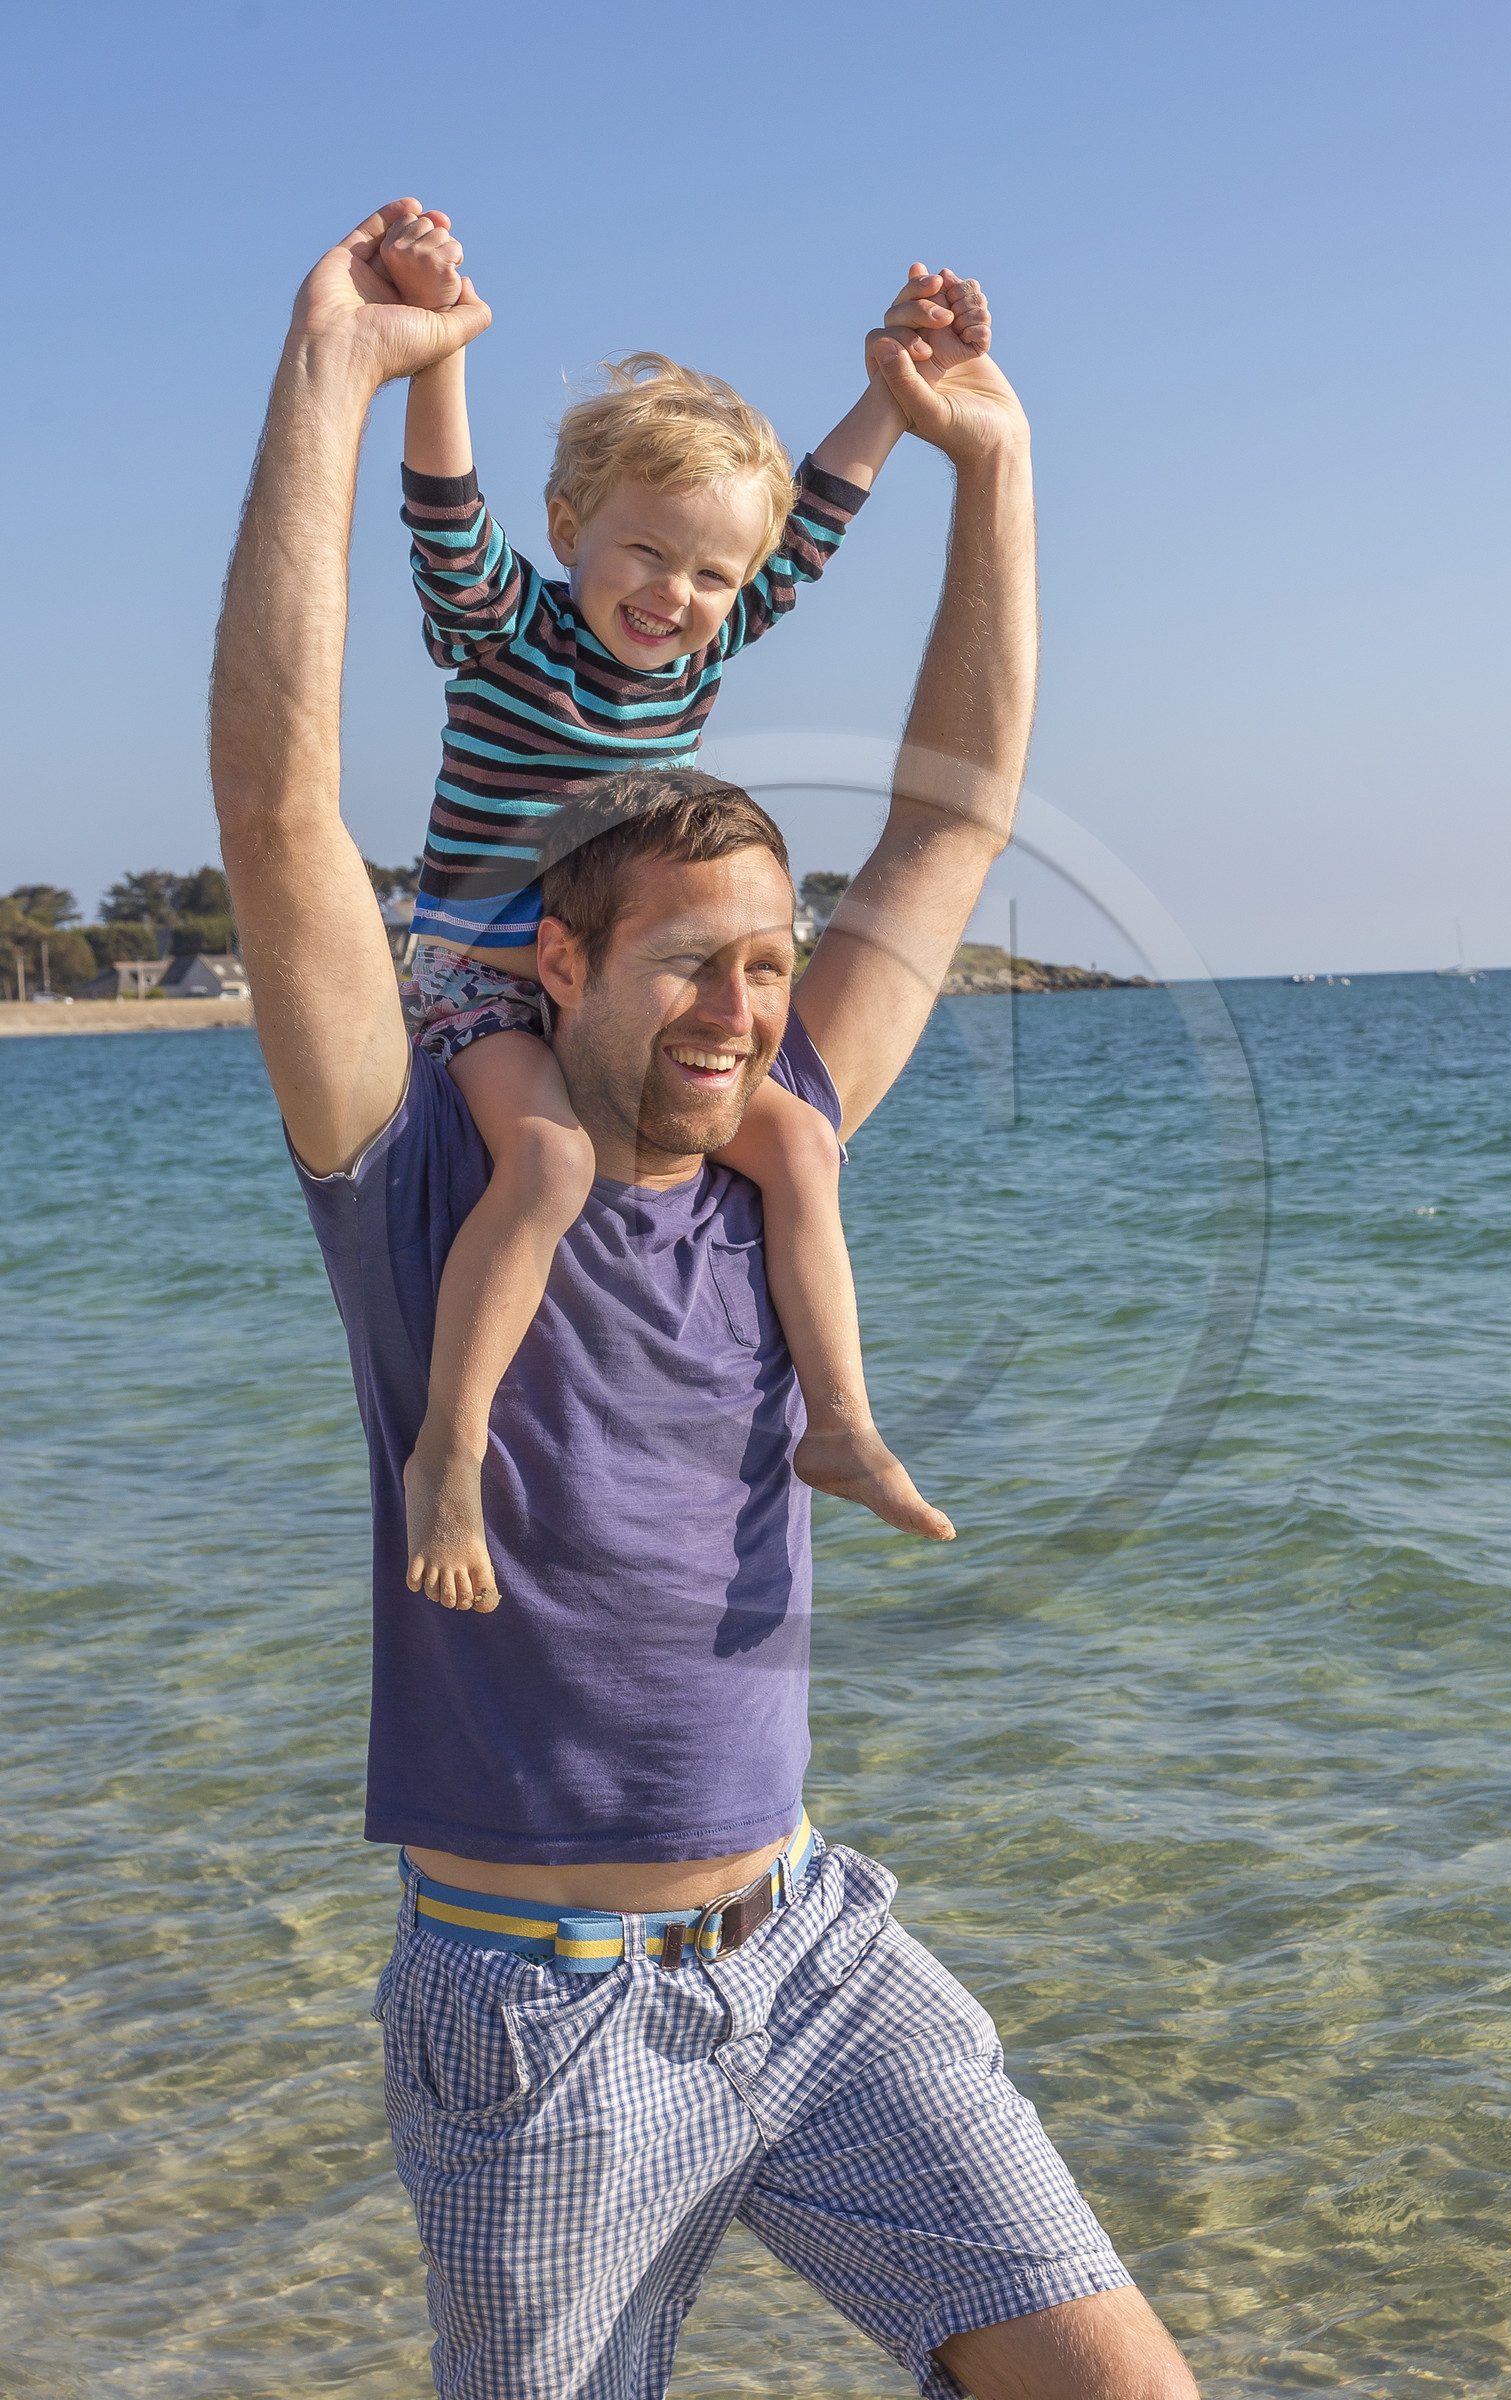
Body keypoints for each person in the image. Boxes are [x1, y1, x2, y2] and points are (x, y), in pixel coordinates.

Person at [210, 200, 1200, 2400]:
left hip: (821, 1957)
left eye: (769, 958)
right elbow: (280, 812)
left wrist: (990, 459)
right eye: (694, 961)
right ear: (558, 966)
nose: (750, 1005)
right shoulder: (420, 1166)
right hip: (535, 2013)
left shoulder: (782, 1142)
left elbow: (948, 829)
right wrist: (332, 375)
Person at [378, 206, 974, 1604]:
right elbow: (440, 510)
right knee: (551, 1166)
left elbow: (813, 521)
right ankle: (449, 1454)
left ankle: (840, 1424)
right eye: (649, 555)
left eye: (713, 573)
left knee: (800, 1145)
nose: (681, 595)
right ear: (574, 529)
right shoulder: (507, 629)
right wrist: (438, 346)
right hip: (483, 979)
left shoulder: (711, 640)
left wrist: (895, 382)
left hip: (624, 980)